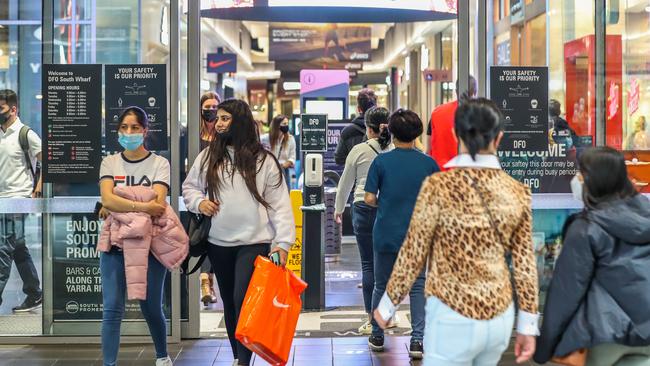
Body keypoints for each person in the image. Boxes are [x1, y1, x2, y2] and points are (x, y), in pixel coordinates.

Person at [374, 99, 539, 365]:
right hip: (498, 316)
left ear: (455, 134)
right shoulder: (517, 191)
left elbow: (414, 252)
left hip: (451, 312)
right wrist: (528, 324)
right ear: (499, 137)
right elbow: (524, 264)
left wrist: (387, 306)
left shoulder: (438, 187)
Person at [182, 99, 295, 366]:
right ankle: (237, 355)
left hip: (255, 243)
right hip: (218, 242)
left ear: (240, 121)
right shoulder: (209, 156)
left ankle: (244, 360)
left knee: (241, 297)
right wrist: (200, 202)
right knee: (230, 304)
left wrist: (283, 243)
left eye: (224, 119)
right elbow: (189, 188)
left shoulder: (264, 160)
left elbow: (280, 204)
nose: (218, 124)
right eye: (217, 118)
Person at [534, 147, 650, 366]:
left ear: (595, 180)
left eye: (581, 174)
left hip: (603, 335)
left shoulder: (586, 229)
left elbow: (566, 293)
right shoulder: (645, 216)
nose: (576, 179)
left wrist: (544, 348)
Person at [98, 106, 174, 366]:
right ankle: (109, 364)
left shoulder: (160, 163)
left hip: (150, 245)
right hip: (115, 247)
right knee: (112, 309)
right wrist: (141, 204)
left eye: (134, 128)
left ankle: (162, 357)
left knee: (151, 306)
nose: (129, 132)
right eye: (124, 128)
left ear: (145, 131)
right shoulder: (110, 162)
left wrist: (117, 203)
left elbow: (159, 204)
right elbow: (107, 198)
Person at [364, 109, 439, 360]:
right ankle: (417, 340)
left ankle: (377, 334)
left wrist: (385, 204)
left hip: (386, 232)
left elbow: (369, 198)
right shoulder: (428, 163)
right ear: (417, 133)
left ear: (391, 132)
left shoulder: (381, 162)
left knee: (381, 285)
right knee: (417, 286)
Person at [334, 106, 392, 335]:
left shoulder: (358, 150)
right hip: (387, 209)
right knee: (386, 265)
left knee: (368, 264)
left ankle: (371, 319)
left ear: (368, 129)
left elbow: (345, 183)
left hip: (362, 208)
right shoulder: (394, 149)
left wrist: (338, 209)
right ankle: (387, 315)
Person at [0, 89, 43, 313]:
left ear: (14, 109)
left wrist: (38, 186)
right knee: (17, 248)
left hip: (18, 199)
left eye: (2, 109)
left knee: (3, 248)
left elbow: (46, 159)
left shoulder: (26, 133)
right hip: (2, 199)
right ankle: (34, 293)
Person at [198, 91, 221, 306]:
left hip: (217, 195)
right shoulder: (192, 136)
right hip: (196, 195)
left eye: (215, 106)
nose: (212, 110)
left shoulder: (224, 137)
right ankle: (206, 282)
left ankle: (207, 282)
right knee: (201, 238)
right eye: (208, 106)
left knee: (211, 239)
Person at [428, 76, 477, 171]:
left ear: (456, 91)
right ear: (475, 92)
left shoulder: (437, 113)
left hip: (440, 175)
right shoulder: (481, 115)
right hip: (470, 175)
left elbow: (429, 148)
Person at [335, 88, 378, 165]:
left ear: (358, 109)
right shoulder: (384, 129)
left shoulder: (348, 131)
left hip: (357, 175)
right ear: (376, 107)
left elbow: (339, 159)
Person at [261, 114, 297, 190]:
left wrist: (283, 165)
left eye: (287, 124)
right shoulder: (265, 138)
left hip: (283, 171)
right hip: (268, 170)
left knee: (285, 192)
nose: (286, 126)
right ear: (277, 125)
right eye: (284, 124)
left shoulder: (290, 139)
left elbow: (292, 157)